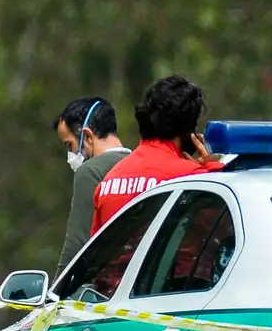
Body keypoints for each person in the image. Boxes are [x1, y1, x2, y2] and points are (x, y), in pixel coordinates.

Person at [91, 75, 220, 232]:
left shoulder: (108, 183)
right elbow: (222, 232)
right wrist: (213, 167)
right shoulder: (194, 179)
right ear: (187, 129)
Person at [56, 97, 131, 275]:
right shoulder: (142, 165)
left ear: (88, 137)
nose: (70, 157)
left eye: (70, 145)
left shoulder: (90, 172)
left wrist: (54, 295)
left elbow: (76, 248)